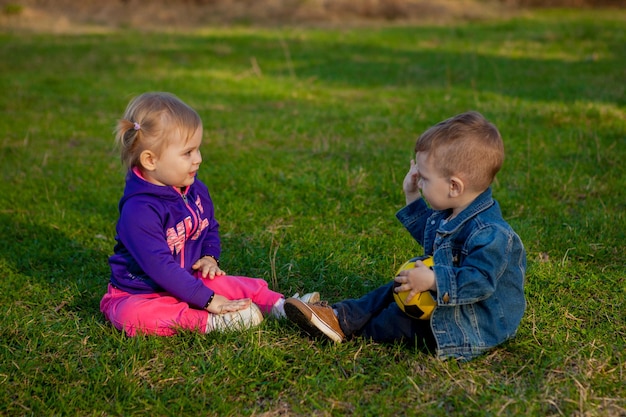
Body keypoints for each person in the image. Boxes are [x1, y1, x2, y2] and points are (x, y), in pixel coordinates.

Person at [284, 111, 526, 361]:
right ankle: (339, 317)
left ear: (454, 186)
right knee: (399, 284)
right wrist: (412, 196)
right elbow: (434, 238)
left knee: (395, 320)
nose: (420, 183)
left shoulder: (490, 233)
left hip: (471, 325)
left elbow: (481, 280)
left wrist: (433, 281)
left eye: (425, 179)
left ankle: (350, 330)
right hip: (448, 304)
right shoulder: (455, 210)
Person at [100, 92, 318, 337]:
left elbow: (209, 227)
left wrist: (209, 257)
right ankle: (212, 322)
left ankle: (282, 306)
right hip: (141, 292)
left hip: (190, 279)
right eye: (188, 152)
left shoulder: (194, 190)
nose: (199, 159)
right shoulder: (139, 211)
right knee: (132, 315)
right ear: (150, 160)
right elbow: (159, 267)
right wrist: (210, 301)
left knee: (228, 283)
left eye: (198, 149)